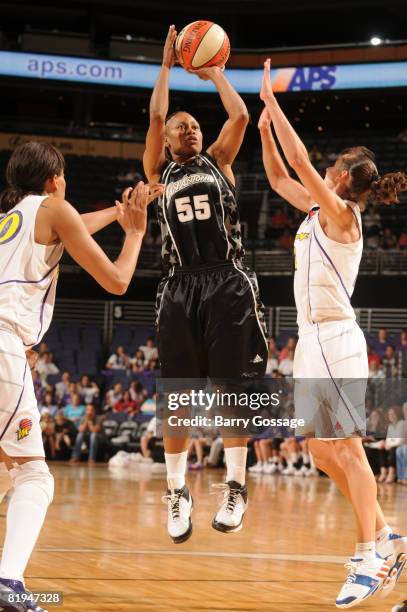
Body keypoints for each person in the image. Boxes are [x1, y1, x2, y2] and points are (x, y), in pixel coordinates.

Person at [258, 59, 407, 608]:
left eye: (330, 167)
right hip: (310, 341)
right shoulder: (319, 209)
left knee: (347, 449)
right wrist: (264, 132)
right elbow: (279, 177)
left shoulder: (343, 215)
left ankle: (368, 558)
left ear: (342, 176)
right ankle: (388, 534)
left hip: (337, 338)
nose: (323, 169)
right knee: (320, 450)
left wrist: (274, 104)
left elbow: (299, 161)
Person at [0, 140, 162, 609]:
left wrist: (114, 211)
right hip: (5, 345)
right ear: (55, 180)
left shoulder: (14, 218)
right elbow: (117, 281)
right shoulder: (54, 208)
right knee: (34, 475)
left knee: (7, 472)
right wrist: (133, 231)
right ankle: (9, 583)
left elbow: (71, 227)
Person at [144, 25, 267, 544]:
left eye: (194, 125)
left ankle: (236, 484)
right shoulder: (158, 171)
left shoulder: (219, 161)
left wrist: (214, 71)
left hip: (228, 282)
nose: (190, 130)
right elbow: (155, 114)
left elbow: (240, 116)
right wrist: (168, 67)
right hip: (178, 285)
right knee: (177, 395)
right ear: (168, 140)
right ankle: (177, 492)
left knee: (230, 389)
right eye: (181, 127)